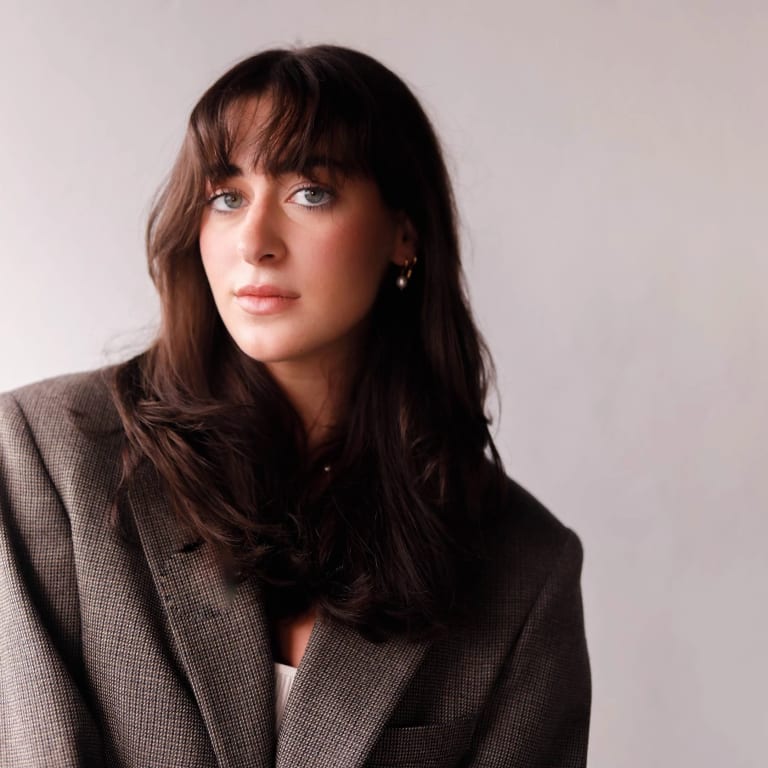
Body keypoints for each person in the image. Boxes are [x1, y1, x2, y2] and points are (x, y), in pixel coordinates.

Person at [0, 45, 590, 767]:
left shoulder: (522, 567)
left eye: (311, 192)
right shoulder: (43, 457)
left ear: (404, 233)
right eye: (226, 197)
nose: (254, 242)